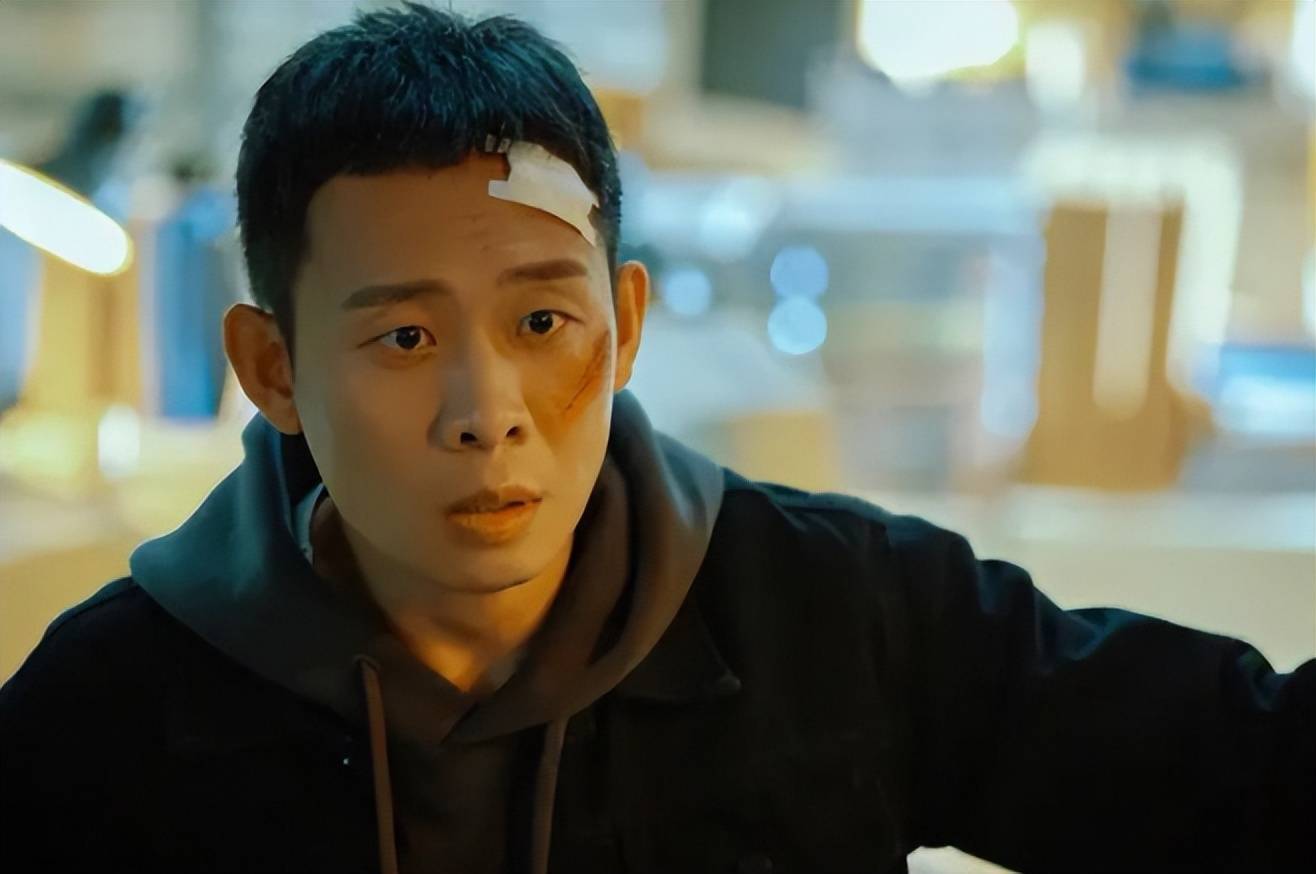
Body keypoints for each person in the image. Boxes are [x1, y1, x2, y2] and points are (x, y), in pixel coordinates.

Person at [1, 5, 1311, 873]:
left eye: (542, 321)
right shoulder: (108, 717)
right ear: (271, 368)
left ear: (625, 326)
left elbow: (1249, 775)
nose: (486, 409)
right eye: (403, 337)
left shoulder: (839, 614)